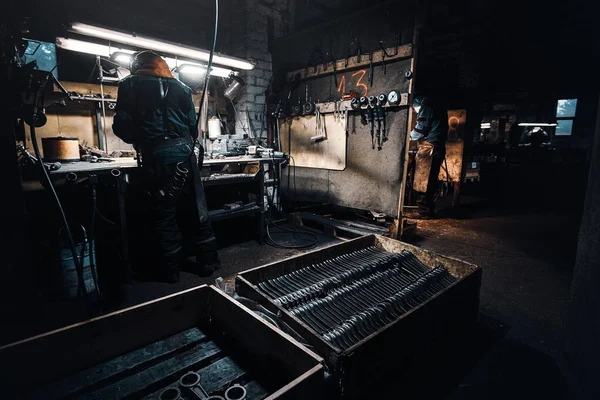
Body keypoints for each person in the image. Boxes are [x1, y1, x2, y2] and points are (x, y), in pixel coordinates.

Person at [113, 50, 219, 283]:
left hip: (157, 158)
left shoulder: (130, 85)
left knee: (163, 215)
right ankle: (208, 261)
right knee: (196, 210)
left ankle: (170, 270)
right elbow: (192, 126)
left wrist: (141, 138)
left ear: (137, 65)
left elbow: (123, 126)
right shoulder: (182, 88)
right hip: (186, 156)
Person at [410, 94, 448, 218]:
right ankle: (426, 210)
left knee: (425, 181)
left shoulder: (427, 107)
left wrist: (408, 136)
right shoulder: (438, 107)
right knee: (429, 180)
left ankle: (425, 212)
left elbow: (421, 128)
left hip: (430, 149)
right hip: (436, 147)